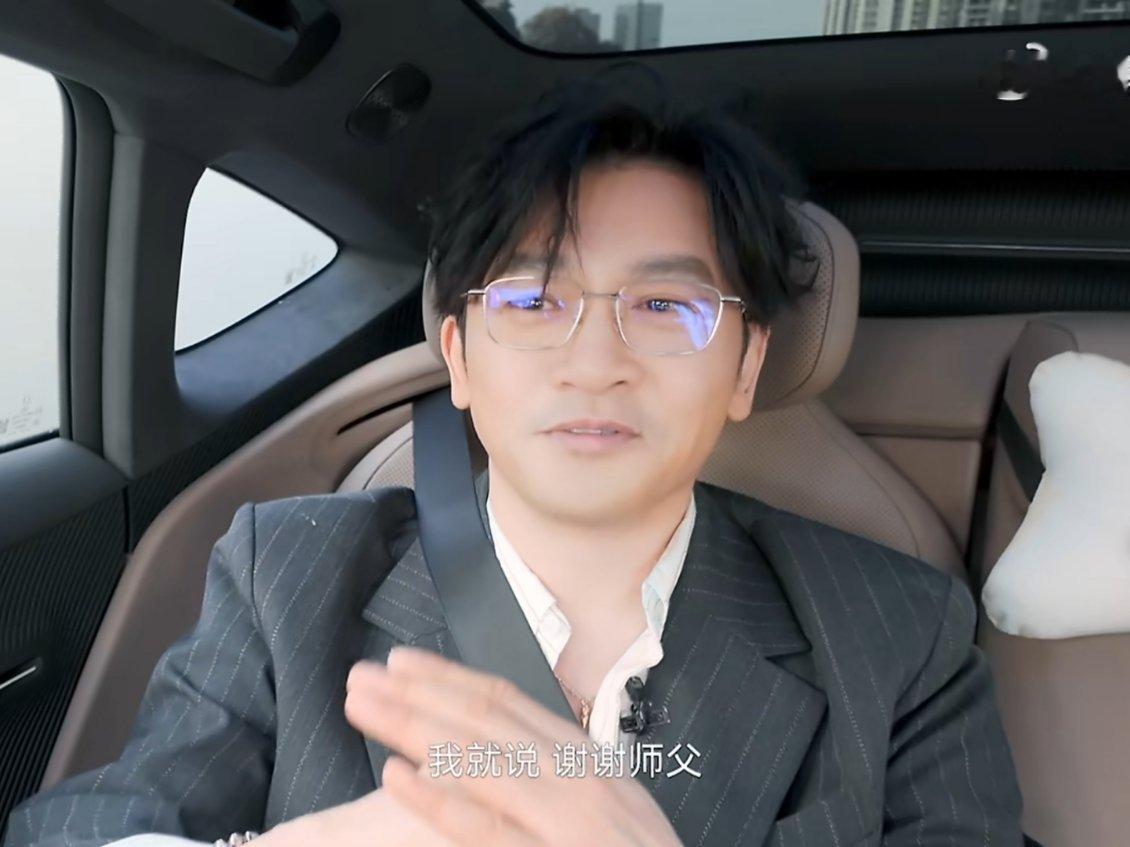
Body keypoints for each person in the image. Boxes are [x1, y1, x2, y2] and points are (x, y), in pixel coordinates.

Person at [2, 71, 1028, 847]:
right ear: (457, 355)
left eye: (663, 305)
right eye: (533, 301)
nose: (595, 361)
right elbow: (83, 825)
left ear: (746, 365)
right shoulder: (290, 572)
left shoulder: (898, 635)